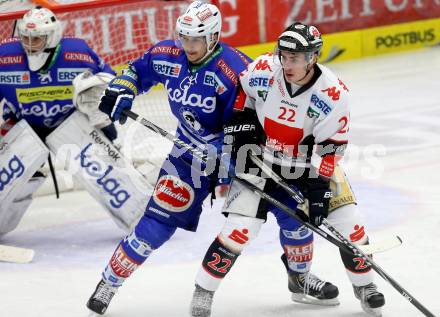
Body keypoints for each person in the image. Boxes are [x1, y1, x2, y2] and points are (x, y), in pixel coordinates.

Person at [190, 22, 385, 317]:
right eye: (284, 55)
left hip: (307, 165)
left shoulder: (333, 94)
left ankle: (365, 286)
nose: (286, 63)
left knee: (350, 223)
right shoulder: (265, 70)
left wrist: (318, 191)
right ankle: (202, 293)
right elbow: (242, 95)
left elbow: (330, 148)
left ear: (313, 57)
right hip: (259, 160)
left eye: (295, 58)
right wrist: (242, 127)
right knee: (239, 230)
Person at [85, 1, 253, 315]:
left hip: (241, 156)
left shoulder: (236, 70)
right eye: (184, 38)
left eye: (196, 40)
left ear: (213, 37)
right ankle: (109, 282)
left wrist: (233, 154)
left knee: (251, 224)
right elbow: (135, 71)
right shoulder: (168, 55)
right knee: (156, 223)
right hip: (188, 156)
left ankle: (299, 276)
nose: (188, 46)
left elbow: (252, 119)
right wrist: (124, 88)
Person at [0, 6, 143, 236]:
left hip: (72, 124)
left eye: (36, 39)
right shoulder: (4, 56)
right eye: (25, 37)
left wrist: (100, 106)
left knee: (106, 171)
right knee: (7, 176)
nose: (28, 44)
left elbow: (111, 82)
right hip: (24, 127)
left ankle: (143, 217)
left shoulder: (77, 53)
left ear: (52, 37)